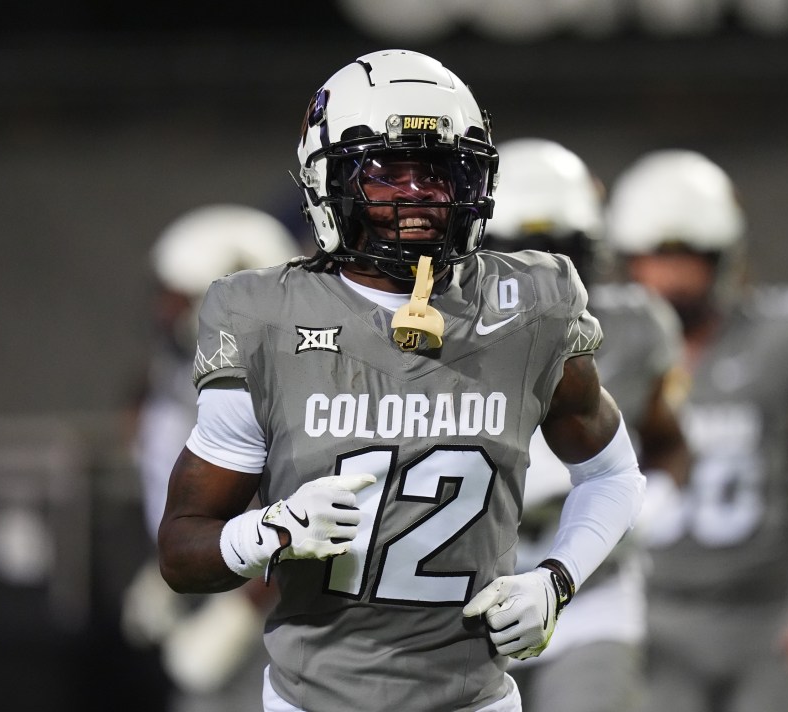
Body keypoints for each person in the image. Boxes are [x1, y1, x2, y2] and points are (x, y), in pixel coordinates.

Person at [156, 49, 646, 712]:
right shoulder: (263, 316)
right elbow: (184, 549)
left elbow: (613, 475)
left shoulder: (532, 303)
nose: (417, 196)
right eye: (388, 173)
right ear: (328, 180)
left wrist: (555, 581)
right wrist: (269, 532)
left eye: (439, 173)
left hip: (472, 699)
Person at [606, 149, 788, 712]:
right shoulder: (603, 345)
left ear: (725, 259)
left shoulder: (782, 337)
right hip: (649, 616)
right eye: (655, 257)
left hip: (767, 617)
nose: (669, 278)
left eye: (688, 257)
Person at [484, 137, 688, 712]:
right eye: (522, 250)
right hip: (475, 597)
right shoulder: (442, 328)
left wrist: (638, 505)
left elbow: (670, 440)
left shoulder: (633, 323)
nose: (542, 270)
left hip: (589, 591)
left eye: (558, 249)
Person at [122, 204, 301, 709]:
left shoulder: (285, 379)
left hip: (274, 604)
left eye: (179, 299)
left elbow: (301, 502)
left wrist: (238, 615)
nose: (165, 312)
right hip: (213, 572)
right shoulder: (185, 370)